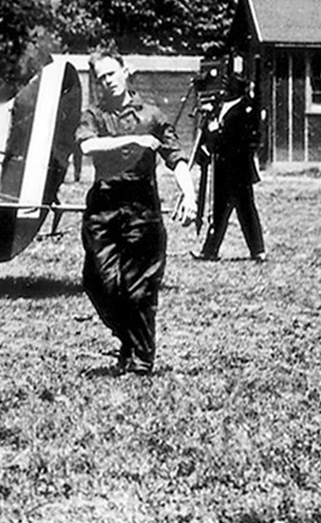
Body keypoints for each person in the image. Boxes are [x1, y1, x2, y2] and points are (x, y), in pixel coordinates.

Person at [77, 48, 196, 377]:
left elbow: (176, 157)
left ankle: (140, 362)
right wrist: (135, 140)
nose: (107, 82)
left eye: (111, 74)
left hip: (141, 210)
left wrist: (189, 193)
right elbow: (87, 145)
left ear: (125, 72)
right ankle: (129, 339)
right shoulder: (95, 115)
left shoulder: (153, 115)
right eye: (101, 78)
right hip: (102, 209)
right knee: (98, 282)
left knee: (138, 288)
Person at [192, 71, 266, 262]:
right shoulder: (219, 106)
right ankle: (210, 251)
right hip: (222, 168)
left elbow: (243, 138)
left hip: (239, 168)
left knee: (246, 210)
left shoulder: (246, 108)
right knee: (218, 211)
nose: (225, 87)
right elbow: (209, 130)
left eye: (229, 84)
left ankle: (258, 250)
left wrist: (218, 132)